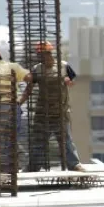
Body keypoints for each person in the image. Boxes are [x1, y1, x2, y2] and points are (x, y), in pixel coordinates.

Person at [19, 41, 85, 172]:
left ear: (49, 53)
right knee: (39, 140)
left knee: (66, 140)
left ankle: (74, 164)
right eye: (40, 55)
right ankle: (34, 166)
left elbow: (73, 80)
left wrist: (68, 81)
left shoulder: (64, 66)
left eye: (44, 54)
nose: (42, 57)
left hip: (60, 111)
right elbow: (29, 89)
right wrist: (18, 103)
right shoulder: (37, 69)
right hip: (43, 113)